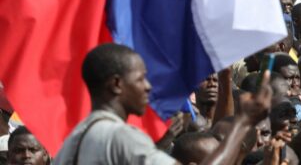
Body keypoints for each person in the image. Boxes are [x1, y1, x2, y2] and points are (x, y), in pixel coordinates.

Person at [54, 43, 273, 165]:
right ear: (116, 85)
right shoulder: (120, 136)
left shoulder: (73, 139)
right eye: (140, 79)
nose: (148, 86)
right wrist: (243, 123)